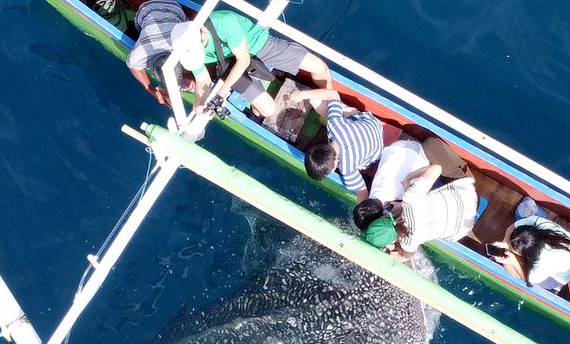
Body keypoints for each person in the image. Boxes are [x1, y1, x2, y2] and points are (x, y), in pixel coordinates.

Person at [170, 10, 332, 118]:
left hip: (257, 45)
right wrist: (199, 103)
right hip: (228, 65)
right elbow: (202, 79)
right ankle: (256, 103)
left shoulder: (224, 22)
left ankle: (330, 104)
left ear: (201, 36)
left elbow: (244, 59)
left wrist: (224, 89)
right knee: (269, 111)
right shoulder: (189, 48)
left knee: (320, 67)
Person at [359, 160, 479, 259]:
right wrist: (407, 179)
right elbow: (436, 168)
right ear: (383, 215)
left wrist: (401, 255)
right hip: (466, 195)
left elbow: (408, 255)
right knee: (430, 143)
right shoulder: (410, 200)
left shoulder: (408, 241)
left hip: (461, 230)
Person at [291, 89, 383, 201]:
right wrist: (301, 94)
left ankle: (362, 163)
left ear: (336, 164)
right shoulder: (334, 124)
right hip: (372, 123)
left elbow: (362, 191)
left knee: (360, 166)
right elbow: (333, 94)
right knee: (314, 100)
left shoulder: (347, 168)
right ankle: (342, 109)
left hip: (377, 153)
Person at [486, 198, 570, 290]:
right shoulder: (538, 223)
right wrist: (505, 241)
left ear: (527, 255)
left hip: (556, 279)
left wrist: (513, 262)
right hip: (568, 248)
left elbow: (528, 281)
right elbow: (514, 226)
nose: (509, 247)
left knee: (508, 265)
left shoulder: (543, 263)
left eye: (513, 248)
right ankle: (531, 209)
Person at [124, 0, 192, 104]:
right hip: (170, 6)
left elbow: (133, 66)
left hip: (160, 7)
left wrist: (151, 89)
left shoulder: (140, 53)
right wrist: (151, 90)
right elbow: (132, 65)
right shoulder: (140, 52)